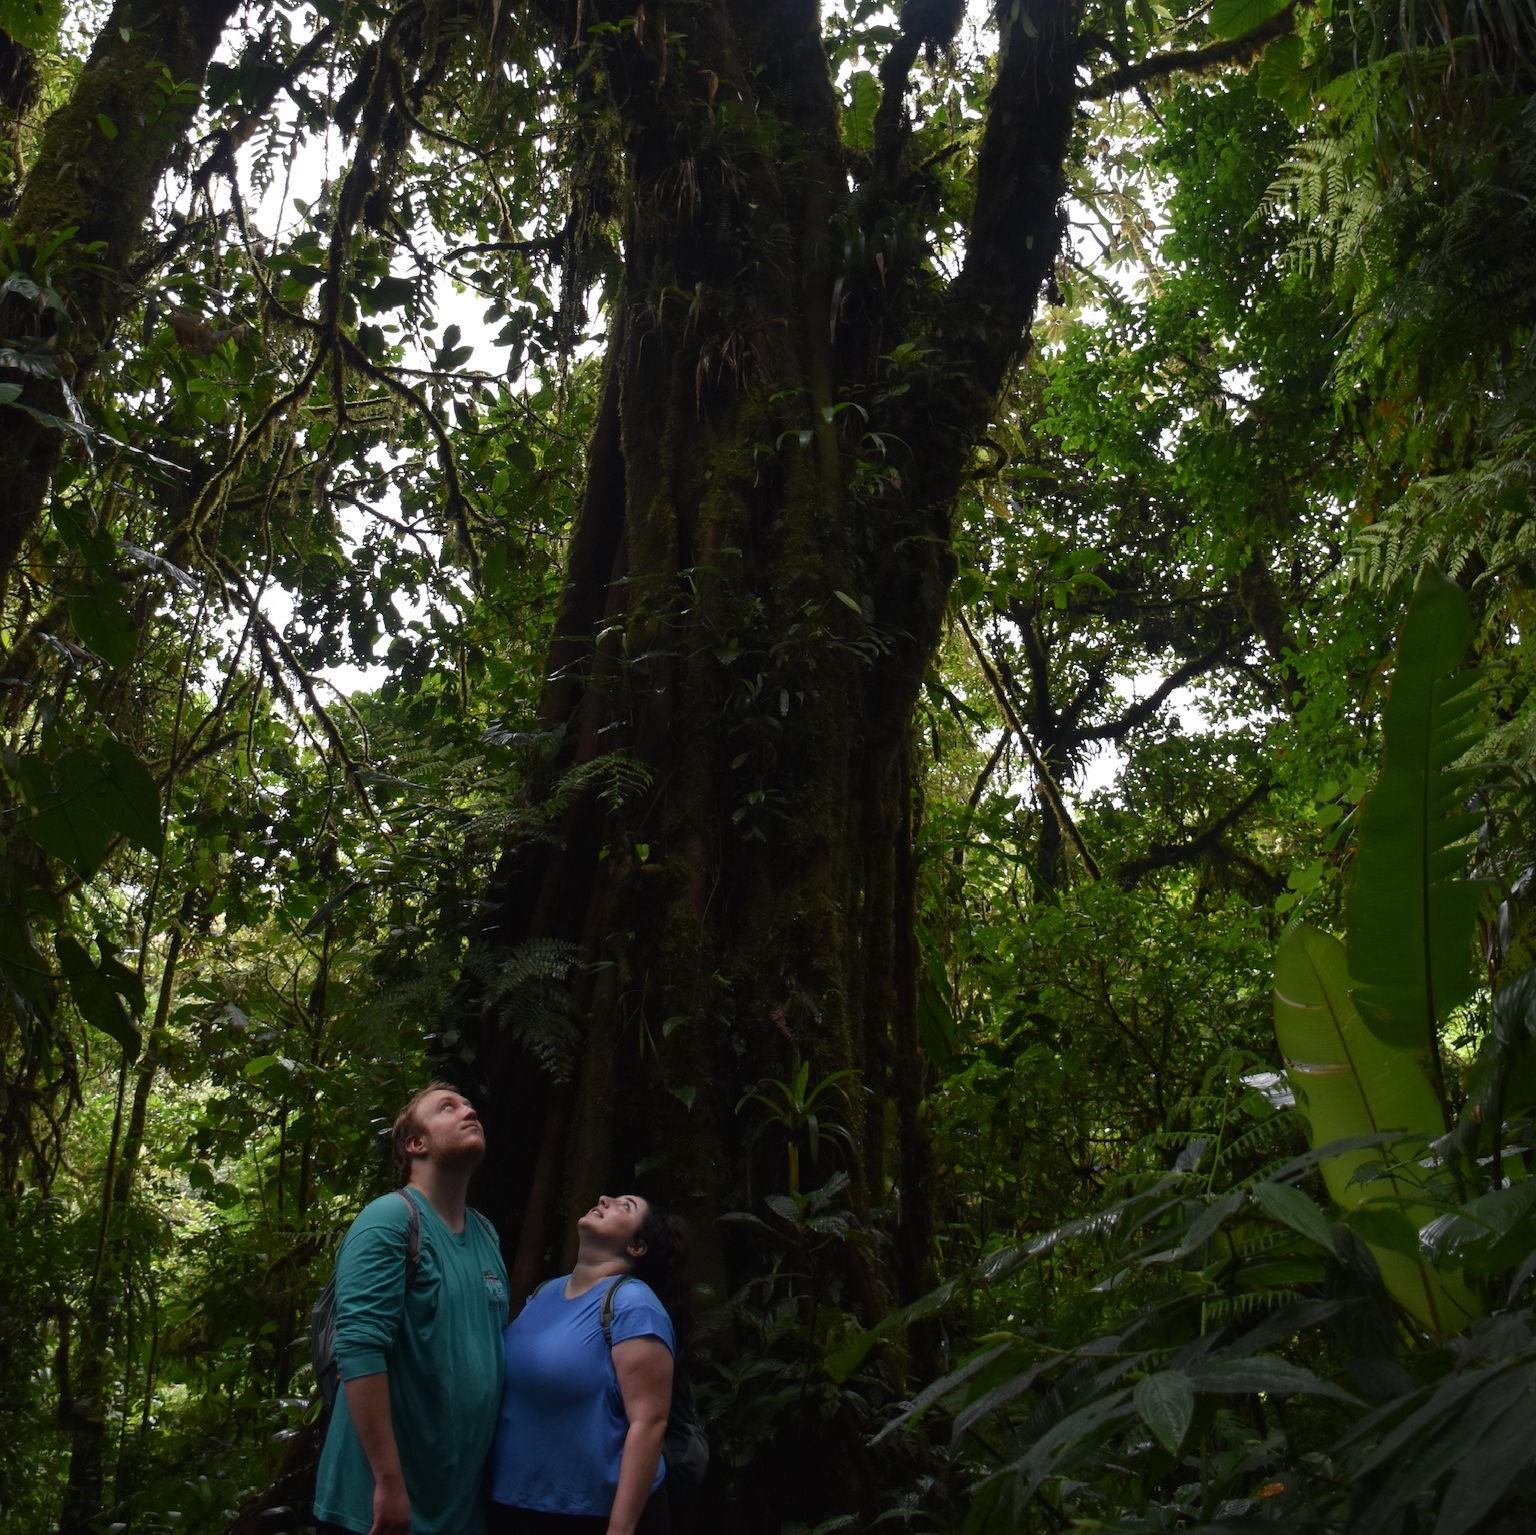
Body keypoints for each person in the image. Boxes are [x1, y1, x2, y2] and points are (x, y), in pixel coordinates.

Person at [313, 1082, 510, 1535]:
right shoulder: (390, 1219)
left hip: (458, 1507)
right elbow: (359, 1349)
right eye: (448, 1107)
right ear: (415, 1144)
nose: (468, 1110)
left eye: (468, 1104)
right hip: (380, 1508)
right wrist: (388, 1483)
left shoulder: (485, 1232)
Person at [488, 1194, 691, 1535]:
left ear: (637, 1246)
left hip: (592, 1515)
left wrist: (621, 1529)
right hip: (514, 1505)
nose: (605, 1199)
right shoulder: (544, 1294)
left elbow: (650, 1422)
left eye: (625, 1206)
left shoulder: (633, 1304)